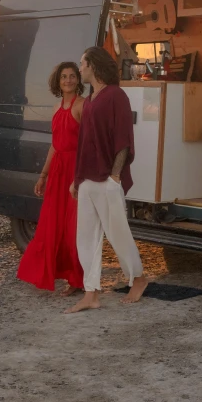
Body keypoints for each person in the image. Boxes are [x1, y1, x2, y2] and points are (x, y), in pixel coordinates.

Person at [66, 47, 148, 314]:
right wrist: (77, 179)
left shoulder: (116, 96)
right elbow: (83, 144)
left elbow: (123, 139)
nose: (80, 69)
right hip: (87, 179)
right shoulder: (89, 100)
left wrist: (115, 175)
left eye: (82, 63)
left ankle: (138, 278)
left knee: (117, 233)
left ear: (93, 66)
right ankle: (91, 293)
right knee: (85, 238)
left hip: (107, 178)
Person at [17, 62, 85, 294]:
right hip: (57, 172)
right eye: (64, 77)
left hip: (75, 171)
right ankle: (58, 274)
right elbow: (55, 146)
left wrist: (81, 175)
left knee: (73, 228)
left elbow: (87, 143)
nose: (68, 80)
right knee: (51, 226)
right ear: (58, 81)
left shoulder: (82, 105)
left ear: (78, 79)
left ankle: (77, 280)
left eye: (72, 76)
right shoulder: (57, 108)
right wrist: (43, 175)